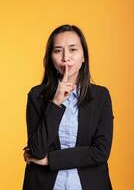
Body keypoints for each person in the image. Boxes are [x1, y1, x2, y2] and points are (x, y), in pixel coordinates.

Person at [22, 24, 114, 190]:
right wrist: (55, 103)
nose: (66, 57)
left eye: (73, 50)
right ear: (50, 57)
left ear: (83, 56)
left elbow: (100, 152)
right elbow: (36, 151)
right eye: (58, 51)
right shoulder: (36, 95)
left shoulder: (101, 97)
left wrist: (50, 160)